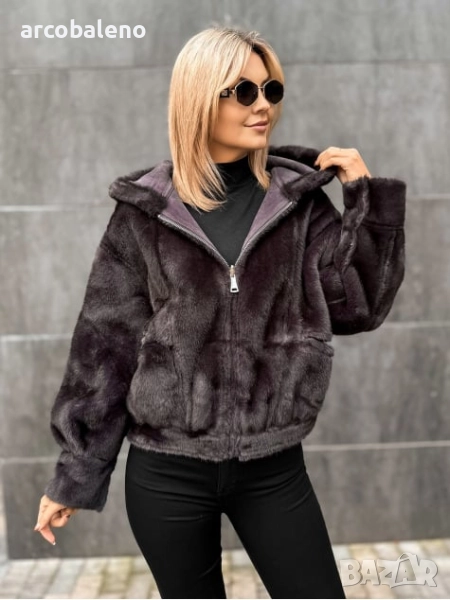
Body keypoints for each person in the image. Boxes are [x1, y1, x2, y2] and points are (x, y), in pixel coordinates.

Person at [34, 25, 406, 599]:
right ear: (199, 98)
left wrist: (366, 202)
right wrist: (76, 473)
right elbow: (104, 348)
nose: (263, 106)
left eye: (271, 91)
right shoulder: (146, 212)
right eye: (244, 92)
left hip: (274, 469)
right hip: (167, 472)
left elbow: (358, 307)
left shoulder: (298, 204)